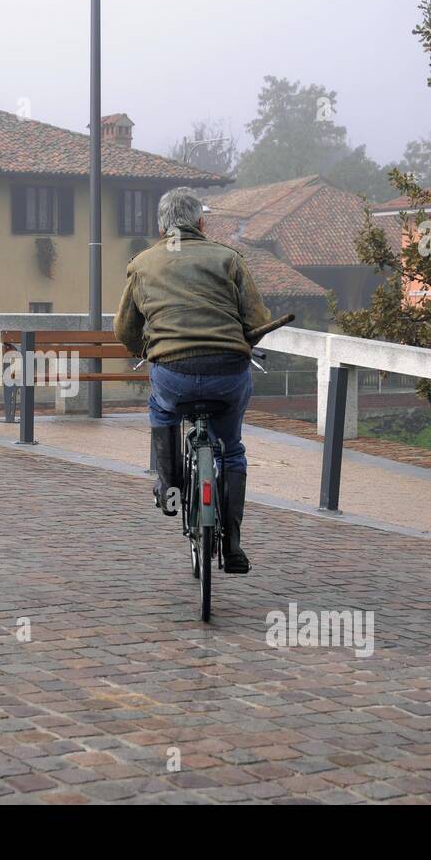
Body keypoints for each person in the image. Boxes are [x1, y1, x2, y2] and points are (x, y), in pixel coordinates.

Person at [114, 187, 272, 574]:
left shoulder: (143, 263)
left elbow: (125, 330)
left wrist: (141, 348)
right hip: (228, 372)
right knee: (230, 449)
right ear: (201, 223)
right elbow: (256, 321)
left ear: (161, 226)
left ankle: (169, 489)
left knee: (162, 411)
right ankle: (233, 544)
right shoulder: (229, 259)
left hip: (173, 373)